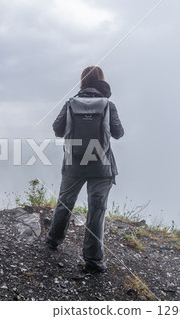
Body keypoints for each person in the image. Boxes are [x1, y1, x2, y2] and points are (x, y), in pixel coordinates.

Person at [46, 66, 124, 273]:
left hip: (74, 162)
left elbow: (57, 129)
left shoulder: (71, 103)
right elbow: (118, 133)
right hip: (101, 164)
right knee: (96, 210)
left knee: (65, 203)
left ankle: (53, 241)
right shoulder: (108, 105)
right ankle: (93, 260)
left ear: (82, 81)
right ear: (101, 81)